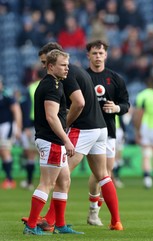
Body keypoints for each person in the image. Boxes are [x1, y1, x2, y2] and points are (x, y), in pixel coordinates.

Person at [22, 42, 123, 231]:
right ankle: (115, 221)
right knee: (102, 175)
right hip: (100, 127)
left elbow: (79, 102)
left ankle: (48, 221)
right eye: (43, 62)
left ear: (54, 59)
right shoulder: (76, 71)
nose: (44, 66)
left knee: (61, 175)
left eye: (46, 61)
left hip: (82, 128)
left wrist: (65, 125)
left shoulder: (63, 77)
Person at [23, 49, 83, 235]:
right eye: (63, 65)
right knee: (47, 183)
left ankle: (60, 224)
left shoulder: (53, 84)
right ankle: (32, 225)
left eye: (67, 65)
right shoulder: (52, 86)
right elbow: (52, 117)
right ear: (50, 66)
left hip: (50, 139)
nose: (67, 69)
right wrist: (66, 140)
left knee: (64, 180)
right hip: (52, 140)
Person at [85, 40, 130, 226]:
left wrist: (117, 108)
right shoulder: (82, 77)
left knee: (105, 173)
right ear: (88, 55)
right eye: (94, 53)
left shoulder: (115, 78)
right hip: (85, 130)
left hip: (109, 131)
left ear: (106, 55)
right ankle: (93, 211)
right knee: (98, 173)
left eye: (100, 53)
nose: (97, 56)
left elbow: (126, 105)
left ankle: (94, 212)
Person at [19, 67, 45, 190]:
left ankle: (29, 182)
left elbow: (27, 108)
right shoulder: (51, 86)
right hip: (48, 124)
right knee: (45, 155)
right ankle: (47, 182)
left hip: (34, 124)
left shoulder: (31, 88)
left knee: (31, 154)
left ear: (35, 75)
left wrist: (26, 127)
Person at [0, 76, 22, 189]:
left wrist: (17, 128)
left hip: (6, 126)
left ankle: (9, 179)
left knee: (5, 151)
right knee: (2, 152)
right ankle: (7, 178)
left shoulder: (6, 95)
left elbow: (16, 111)